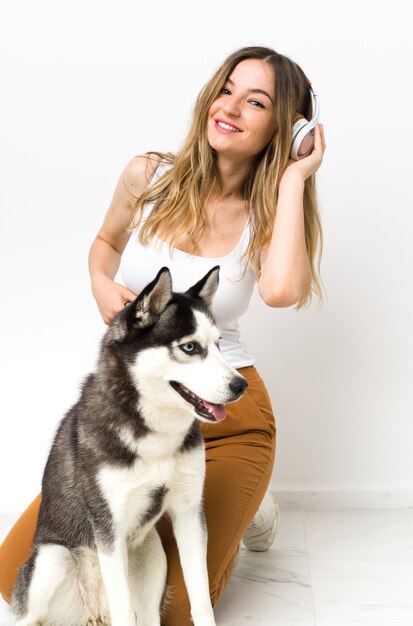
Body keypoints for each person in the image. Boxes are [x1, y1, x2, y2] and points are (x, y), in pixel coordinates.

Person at [0, 45, 326, 625]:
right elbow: (105, 245)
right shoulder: (149, 176)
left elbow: (281, 292)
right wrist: (101, 282)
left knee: (171, 612)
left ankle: (249, 502)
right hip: (138, 410)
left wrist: (295, 175)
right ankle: (235, 500)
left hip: (227, 416)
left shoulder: (270, 213)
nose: (230, 107)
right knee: (12, 574)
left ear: (286, 128)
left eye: (257, 102)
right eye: (226, 90)